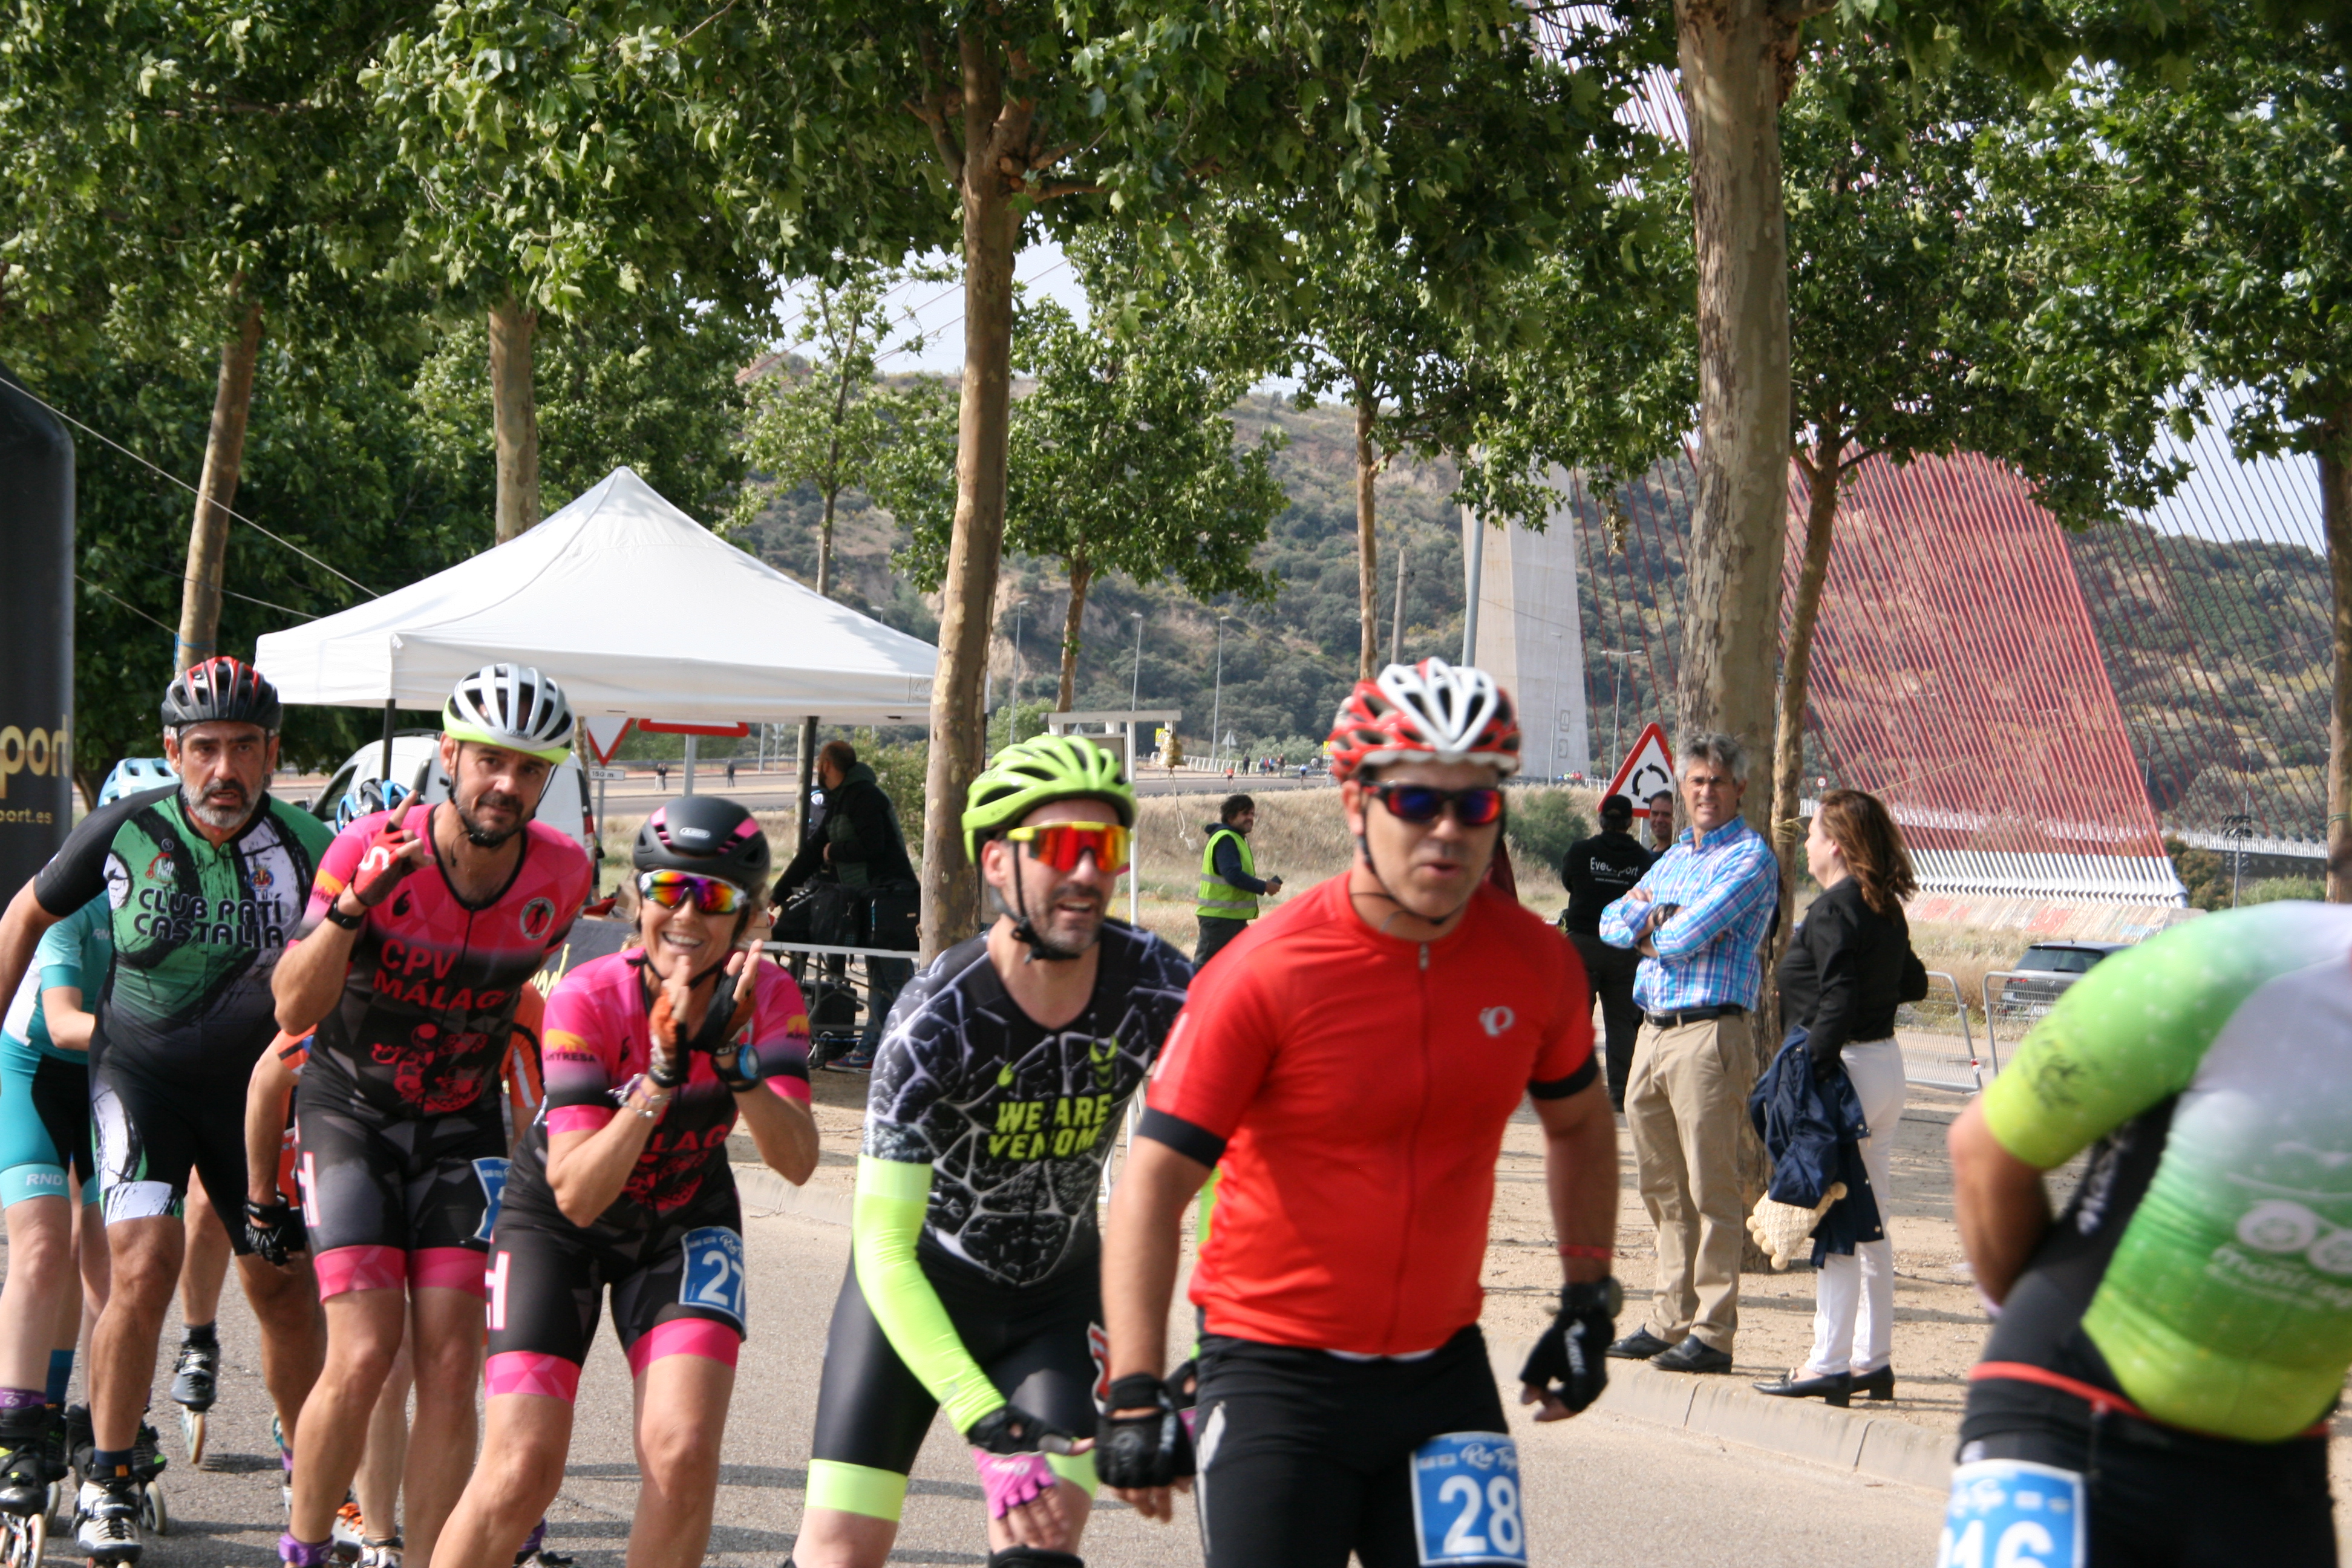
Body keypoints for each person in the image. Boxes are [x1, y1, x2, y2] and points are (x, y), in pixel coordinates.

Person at [1099, 658, 1621, 1568]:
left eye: (1476, 804)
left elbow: (1579, 1123)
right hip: (1274, 1377)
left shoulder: (1536, 964)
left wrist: (1588, 1301)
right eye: (1417, 801)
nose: (1448, 831)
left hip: (1443, 1375)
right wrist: (1136, 1384)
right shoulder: (1265, 972)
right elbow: (1152, 1184)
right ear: (1356, 804)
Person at [792, 734, 1192, 1568]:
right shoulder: (935, 1014)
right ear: (999, 862)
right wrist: (979, 1413)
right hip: (918, 1287)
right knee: (839, 1550)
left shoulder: (1157, 984)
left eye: (1105, 846)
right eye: (1061, 847)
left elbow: (1222, 1170)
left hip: (1058, 1298)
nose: (1087, 871)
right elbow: (883, 1245)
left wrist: (1211, 1351)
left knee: (1043, 1543)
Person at [0, 659, 335, 1564]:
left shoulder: (312, 844)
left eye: (244, 748)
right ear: (173, 750)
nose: (224, 769)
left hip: (253, 1098)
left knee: (282, 1289)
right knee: (141, 1267)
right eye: (205, 748)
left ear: (273, 753)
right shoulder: (122, 830)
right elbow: (22, 917)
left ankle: (310, 1472)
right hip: (138, 1082)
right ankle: (108, 1477)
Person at [434, 795, 818, 1568]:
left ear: (749, 920)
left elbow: (798, 1161)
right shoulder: (590, 995)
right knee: (521, 1470)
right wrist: (662, 1076)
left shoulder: (769, 996)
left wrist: (735, 1063)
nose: (687, 915)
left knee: (682, 1455)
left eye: (713, 898)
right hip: (557, 1228)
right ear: (637, 900)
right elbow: (578, 1194)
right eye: (668, 890)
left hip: (684, 1219)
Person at [267, 662, 593, 1568]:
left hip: (460, 1126)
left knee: (452, 1364)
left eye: (529, 769)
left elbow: (539, 1005)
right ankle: (304, 1550)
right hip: (352, 1115)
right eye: (490, 760)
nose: (506, 784)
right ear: (448, 755)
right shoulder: (368, 844)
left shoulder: (563, 873)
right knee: (365, 1351)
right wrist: (353, 907)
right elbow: (291, 1006)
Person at [1945, 901, 2352, 1564]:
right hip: (2067, 1416)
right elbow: (1986, 1155)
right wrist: (2017, 1336)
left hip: (2275, 1469)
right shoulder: (2228, 968)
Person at [0, 765, 155, 1520]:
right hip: (36, 1070)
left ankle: (103, 1422)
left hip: (112, 1079)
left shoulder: (174, 907)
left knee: (115, 1263)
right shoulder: (74, 898)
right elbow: (62, 1022)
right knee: (40, 1250)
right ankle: (17, 1434)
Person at [1598, 734, 1779, 1376]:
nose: (1706, 792)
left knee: (1711, 1189)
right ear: (1683, 787)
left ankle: (1713, 1331)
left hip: (1708, 1036)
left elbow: (1684, 937)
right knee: (1661, 1188)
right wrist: (1652, 920)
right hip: (1650, 1032)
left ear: (1740, 790)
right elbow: (1608, 922)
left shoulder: (1750, 860)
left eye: (1718, 782)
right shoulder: (1675, 856)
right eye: (1697, 781)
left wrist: (1648, 924)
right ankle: (1668, 1319)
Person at [1751, 791, 1921, 1406]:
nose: (1806, 843)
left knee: (1838, 1220)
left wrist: (1812, 1074)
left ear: (1838, 846)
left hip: (1845, 1073)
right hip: (1884, 1068)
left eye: (1814, 833)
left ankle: (1827, 1364)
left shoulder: (1832, 910)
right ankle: (1872, 1361)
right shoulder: (1883, 907)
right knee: (1870, 1220)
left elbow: (1839, 1000)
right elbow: (1914, 981)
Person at [770, 740, 916, 1071]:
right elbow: (812, 852)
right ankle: (872, 1050)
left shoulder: (865, 796)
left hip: (891, 898)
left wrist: (834, 852)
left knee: (896, 977)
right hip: (870, 899)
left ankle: (907, 1046)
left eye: (819, 765)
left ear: (826, 765)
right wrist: (776, 895)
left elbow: (873, 845)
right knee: (881, 977)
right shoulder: (842, 799)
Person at [1558, 794, 1655, 1109]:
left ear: (1601, 819)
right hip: (1624, 950)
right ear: (1631, 822)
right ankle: (1619, 1093)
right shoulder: (1644, 860)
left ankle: (1573, 1089)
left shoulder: (1580, 852)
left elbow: (1569, 882)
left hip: (1582, 945)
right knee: (1621, 1024)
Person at [1193, 794, 1283, 969]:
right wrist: (1264, 886)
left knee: (1246, 966)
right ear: (1230, 816)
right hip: (1220, 920)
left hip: (1231, 919)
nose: (1250, 818)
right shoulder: (1226, 839)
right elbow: (1232, 875)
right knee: (1204, 970)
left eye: (1252, 814)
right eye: (1245, 814)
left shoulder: (1235, 838)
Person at [1645, 788, 1676, 854]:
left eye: (1666, 815)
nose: (1659, 820)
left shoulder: (1682, 856)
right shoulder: (1643, 857)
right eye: (1655, 814)